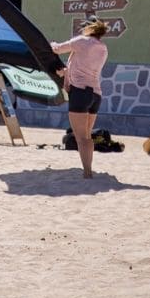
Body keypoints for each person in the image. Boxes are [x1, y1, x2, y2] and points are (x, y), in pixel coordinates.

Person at [51, 17, 110, 179]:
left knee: (81, 138)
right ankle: (88, 170)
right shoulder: (103, 48)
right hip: (96, 95)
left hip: (80, 93)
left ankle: (87, 172)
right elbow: (82, 67)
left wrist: (50, 44)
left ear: (88, 29)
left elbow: (56, 49)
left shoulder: (81, 41)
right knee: (87, 136)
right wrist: (65, 72)